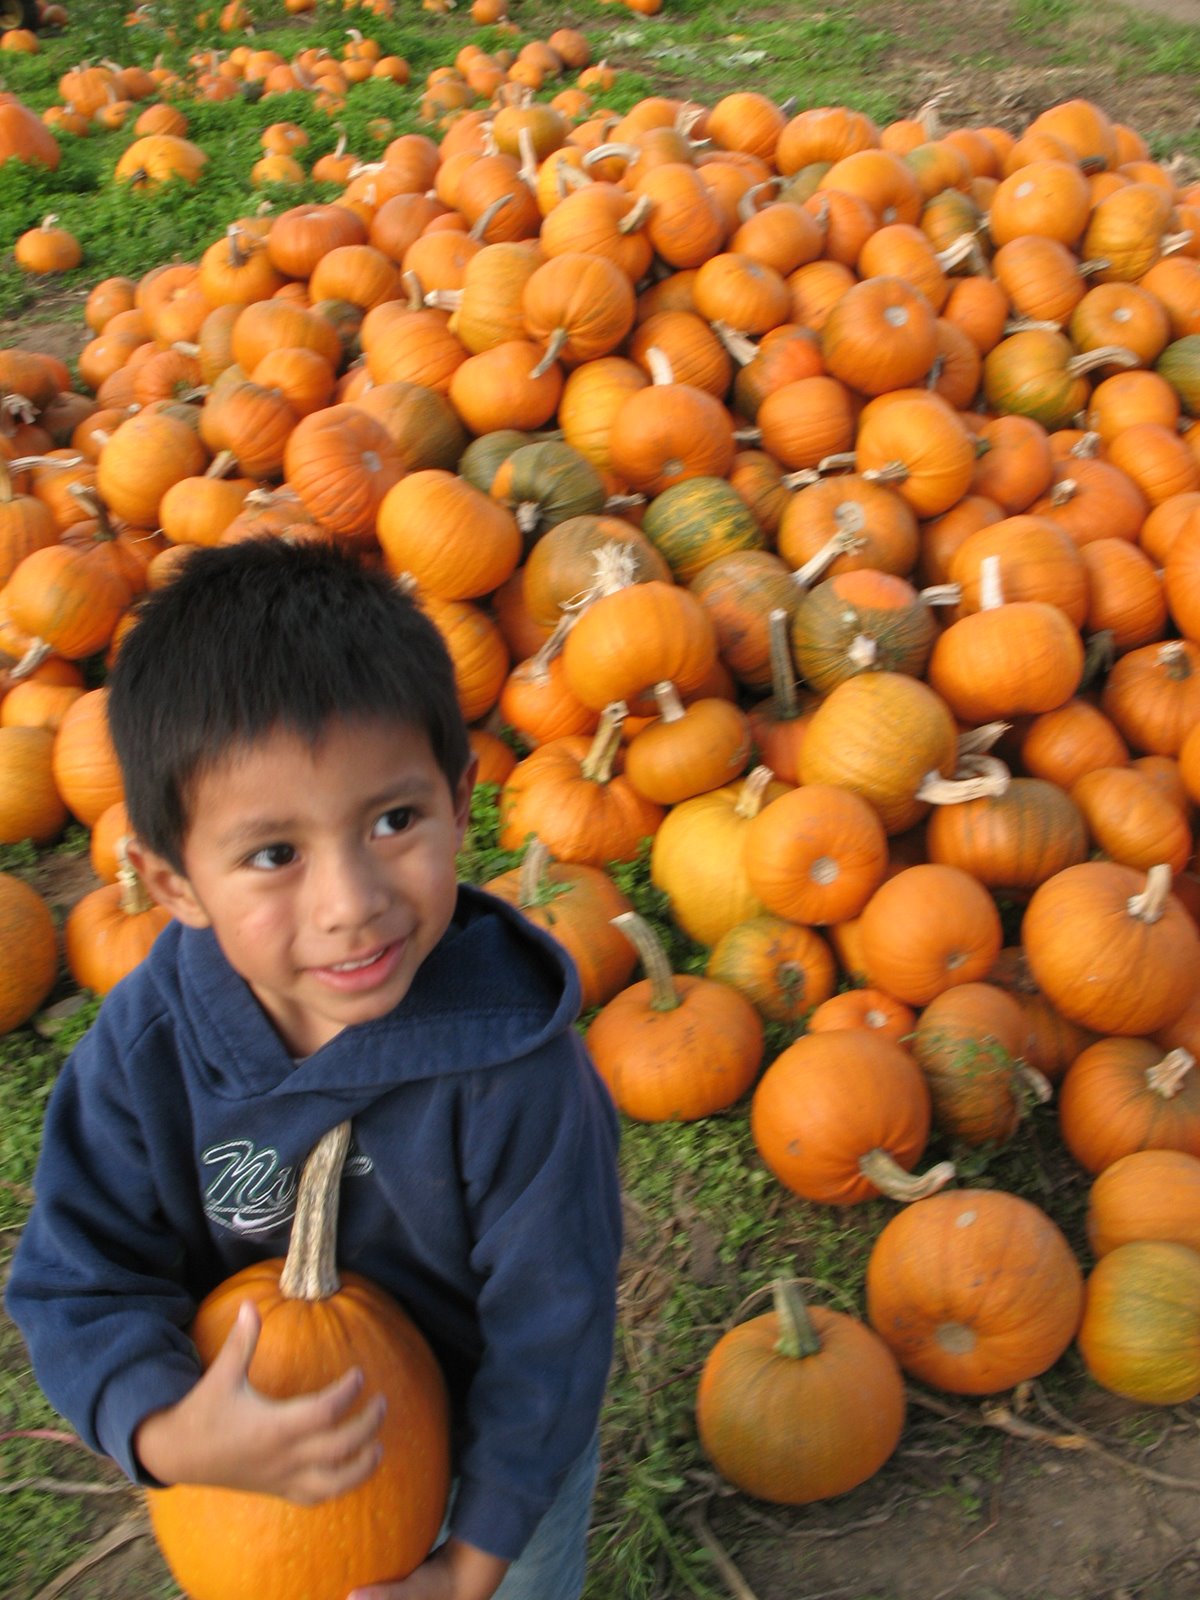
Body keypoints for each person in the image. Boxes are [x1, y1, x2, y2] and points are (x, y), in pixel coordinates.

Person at [5, 539, 623, 1600]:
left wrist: (472, 1567)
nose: (351, 902)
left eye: (393, 821)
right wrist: (170, 1431)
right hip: (266, 1472)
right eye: (273, 854)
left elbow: (551, 1338)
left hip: (492, 1467)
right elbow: (80, 1273)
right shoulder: (151, 1046)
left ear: (460, 800)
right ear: (172, 881)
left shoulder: (519, 1071)